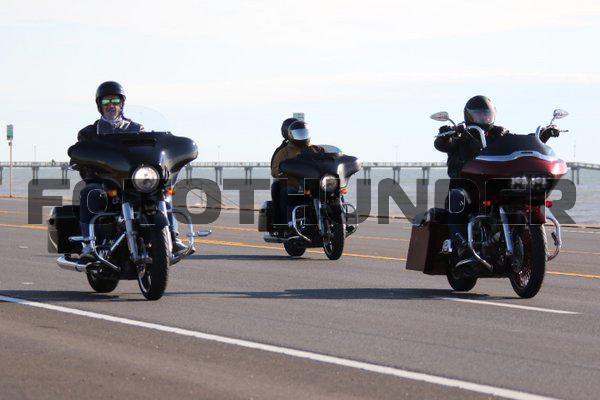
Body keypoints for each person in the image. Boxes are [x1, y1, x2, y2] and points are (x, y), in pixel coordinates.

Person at [77, 81, 185, 260]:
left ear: (122, 104)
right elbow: (82, 152)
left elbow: (149, 152)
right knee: (90, 193)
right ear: (99, 105)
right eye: (106, 101)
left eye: (115, 101)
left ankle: (173, 237)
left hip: (133, 181)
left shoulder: (137, 129)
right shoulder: (89, 133)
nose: (111, 105)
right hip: (105, 182)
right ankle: (89, 245)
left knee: (163, 192)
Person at [434, 95, 510, 257]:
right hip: (466, 186)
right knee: (457, 199)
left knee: (518, 196)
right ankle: (459, 243)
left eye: (487, 114)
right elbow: (443, 144)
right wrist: (445, 135)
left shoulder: (500, 134)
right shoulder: (460, 134)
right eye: (479, 114)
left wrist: (542, 137)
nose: (484, 118)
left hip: (492, 185)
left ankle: (521, 239)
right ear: (469, 116)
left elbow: (517, 143)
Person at [270, 120, 323, 235]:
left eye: (304, 133)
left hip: (316, 184)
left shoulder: (316, 149)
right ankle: (289, 224)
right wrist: (281, 172)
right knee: (289, 192)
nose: (302, 136)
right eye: (299, 134)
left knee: (335, 191)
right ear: (291, 135)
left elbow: (330, 160)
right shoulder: (284, 152)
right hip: (296, 185)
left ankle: (340, 219)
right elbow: (275, 169)